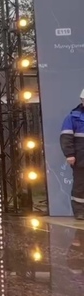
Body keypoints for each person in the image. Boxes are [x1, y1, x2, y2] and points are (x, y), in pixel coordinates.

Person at [60, 90, 84, 219]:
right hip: (81, 158)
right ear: (82, 100)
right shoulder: (73, 118)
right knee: (80, 185)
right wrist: (69, 154)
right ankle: (80, 211)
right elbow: (66, 137)